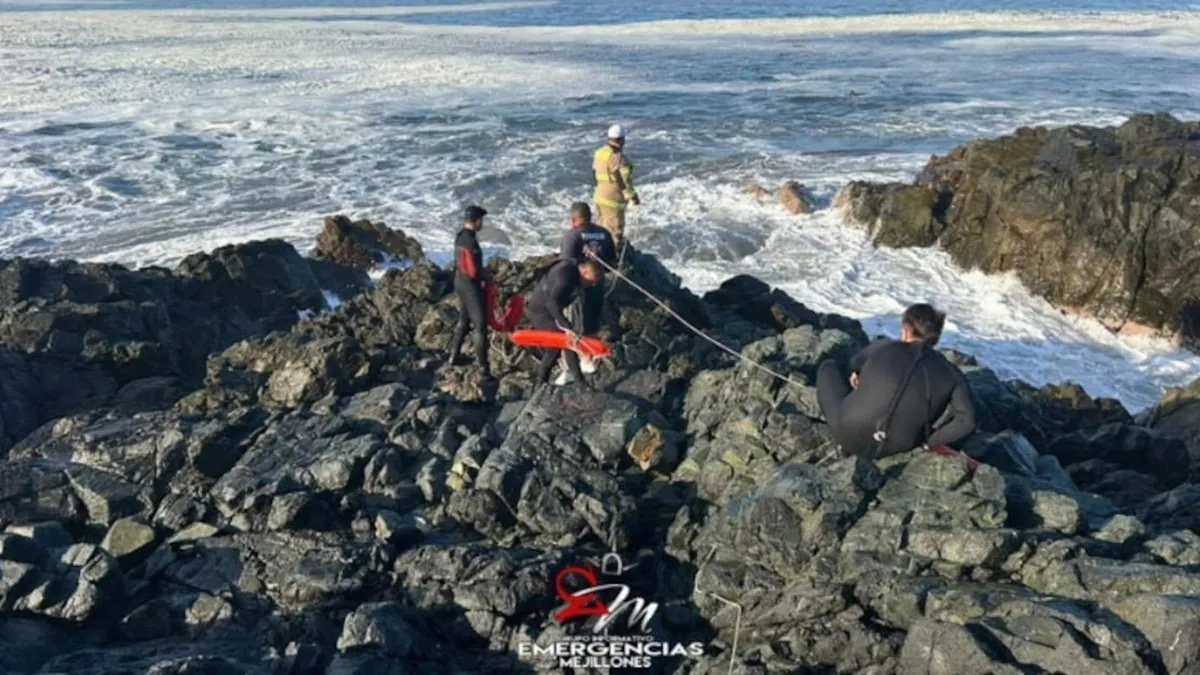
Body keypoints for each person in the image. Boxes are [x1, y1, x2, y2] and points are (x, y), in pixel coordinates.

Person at [816, 303, 977, 460]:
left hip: (847, 434)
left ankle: (845, 445)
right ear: (936, 337)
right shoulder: (951, 373)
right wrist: (929, 441)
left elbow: (854, 362)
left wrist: (857, 375)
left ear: (906, 331)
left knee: (828, 367)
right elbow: (967, 421)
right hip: (897, 449)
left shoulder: (883, 346)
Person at [526, 258, 603, 387]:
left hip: (550, 309)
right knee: (565, 341)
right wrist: (566, 325)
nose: (595, 282)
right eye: (594, 277)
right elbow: (551, 303)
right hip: (539, 311)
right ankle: (580, 383)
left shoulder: (578, 277)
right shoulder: (565, 279)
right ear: (584, 272)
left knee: (555, 348)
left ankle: (541, 383)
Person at [447, 205, 492, 378]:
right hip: (471, 287)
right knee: (480, 326)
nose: (483, 223)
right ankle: (484, 369)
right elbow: (473, 271)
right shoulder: (471, 242)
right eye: (482, 220)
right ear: (477, 221)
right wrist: (486, 277)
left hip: (459, 282)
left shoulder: (460, 237)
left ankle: (453, 356)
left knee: (464, 321)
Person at [592, 124, 639, 245]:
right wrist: (633, 196)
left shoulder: (599, 153)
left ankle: (597, 253)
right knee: (615, 231)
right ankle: (613, 258)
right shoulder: (619, 158)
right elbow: (624, 180)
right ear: (622, 140)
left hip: (599, 195)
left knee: (600, 228)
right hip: (614, 199)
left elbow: (594, 173)